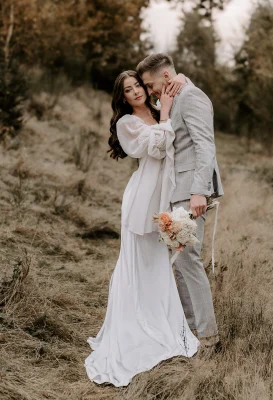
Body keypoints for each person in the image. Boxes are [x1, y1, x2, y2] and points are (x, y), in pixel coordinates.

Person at [84, 70, 200, 388]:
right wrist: (164, 111)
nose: (136, 92)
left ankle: (161, 323)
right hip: (142, 200)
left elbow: (187, 94)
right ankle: (135, 327)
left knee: (160, 266)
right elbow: (158, 147)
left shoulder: (158, 105)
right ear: (122, 97)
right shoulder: (127, 124)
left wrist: (179, 78)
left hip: (166, 196)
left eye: (138, 85)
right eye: (129, 90)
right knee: (137, 264)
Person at [136, 53, 224, 347]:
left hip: (191, 191)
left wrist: (200, 190)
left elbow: (205, 145)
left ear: (165, 76)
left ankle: (209, 338)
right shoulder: (174, 97)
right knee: (179, 262)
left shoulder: (191, 95)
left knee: (189, 260)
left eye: (150, 85)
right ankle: (190, 332)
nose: (150, 93)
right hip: (176, 192)